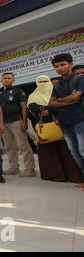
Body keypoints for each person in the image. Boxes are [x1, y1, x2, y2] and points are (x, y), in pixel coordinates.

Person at [28, 75, 84, 185]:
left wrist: (50, 108)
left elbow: (57, 103)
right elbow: (33, 107)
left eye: (45, 81)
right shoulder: (33, 96)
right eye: (41, 82)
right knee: (50, 153)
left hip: (60, 123)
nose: (43, 83)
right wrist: (53, 106)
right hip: (44, 127)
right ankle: (55, 175)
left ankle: (75, 175)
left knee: (70, 151)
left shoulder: (55, 90)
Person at [48, 53, 84, 181]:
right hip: (64, 121)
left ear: (70, 64)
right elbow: (50, 103)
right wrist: (68, 100)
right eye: (56, 66)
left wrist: (60, 101)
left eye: (63, 65)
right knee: (74, 151)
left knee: (82, 150)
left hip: (79, 119)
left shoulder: (79, 79)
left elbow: (77, 97)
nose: (60, 68)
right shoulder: (57, 84)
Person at [0, 73, 36, 177]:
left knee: (23, 145)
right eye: (4, 78)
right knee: (9, 146)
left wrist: (24, 121)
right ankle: (14, 168)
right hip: (4, 123)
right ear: (1, 80)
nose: (6, 80)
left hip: (17, 121)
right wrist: (0, 123)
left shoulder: (18, 91)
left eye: (9, 78)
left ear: (13, 80)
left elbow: (24, 106)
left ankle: (30, 169)